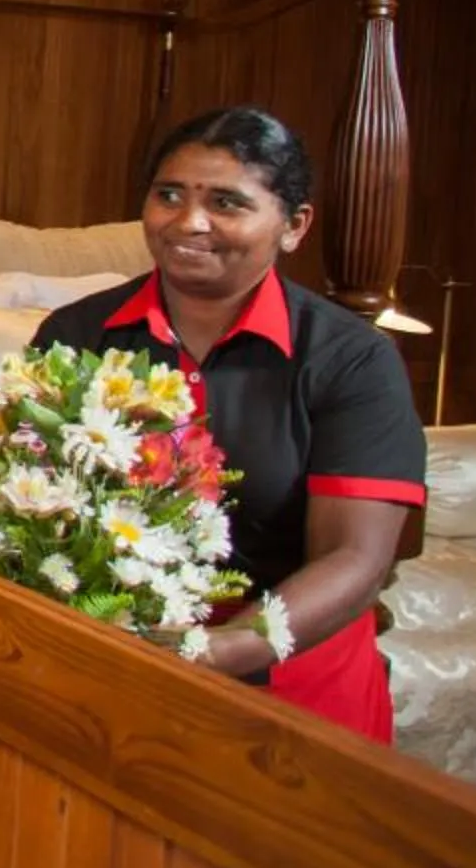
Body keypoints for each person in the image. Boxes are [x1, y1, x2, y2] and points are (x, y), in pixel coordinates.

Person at [32, 104, 426, 744]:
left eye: (227, 202)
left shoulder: (350, 360)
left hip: (292, 682)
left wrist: (219, 650)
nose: (189, 221)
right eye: (169, 195)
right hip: (110, 666)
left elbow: (356, 559)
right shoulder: (77, 334)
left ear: (294, 226)